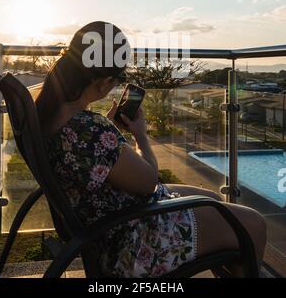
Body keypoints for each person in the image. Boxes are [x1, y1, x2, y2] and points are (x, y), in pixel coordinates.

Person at [35, 21, 266, 278]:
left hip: (104, 224)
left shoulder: (48, 114)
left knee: (211, 199)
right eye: (117, 79)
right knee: (253, 223)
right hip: (129, 239)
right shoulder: (90, 129)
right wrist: (140, 136)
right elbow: (149, 182)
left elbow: (90, 159)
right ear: (103, 82)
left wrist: (111, 136)